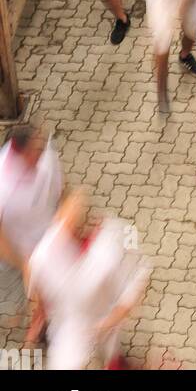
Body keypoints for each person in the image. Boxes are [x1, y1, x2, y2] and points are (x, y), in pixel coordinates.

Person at [26, 190, 149, 370]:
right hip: (68, 330)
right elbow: (38, 288)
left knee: (111, 353)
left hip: (103, 317)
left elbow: (134, 286)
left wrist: (104, 325)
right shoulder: (44, 254)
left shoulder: (110, 247)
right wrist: (38, 318)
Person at [0, 127, 63, 289]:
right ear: (21, 154)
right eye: (34, 151)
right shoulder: (4, 186)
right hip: (27, 252)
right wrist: (23, 264)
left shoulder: (45, 155)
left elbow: (60, 187)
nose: (40, 153)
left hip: (52, 237)